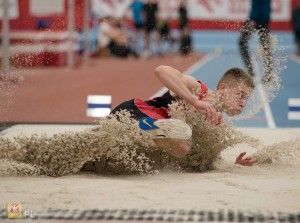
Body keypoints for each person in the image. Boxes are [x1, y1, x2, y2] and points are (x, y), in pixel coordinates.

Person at [110, 65, 255, 166]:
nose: (243, 103)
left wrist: (232, 165)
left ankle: (141, 139)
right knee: (182, 144)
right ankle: (143, 128)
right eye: (240, 95)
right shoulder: (198, 90)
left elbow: (204, 159)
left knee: (183, 148)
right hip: (132, 112)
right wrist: (194, 101)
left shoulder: (216, 123)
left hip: (144, 133)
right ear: (223, 89)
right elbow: (161, 70)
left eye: (246, 99)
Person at [238, 0, 274, 84]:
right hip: (261, 19)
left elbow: (262, 7)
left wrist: (254, 19)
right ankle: (267, 73)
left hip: (257, 19)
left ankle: (252, 71)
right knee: (266, 47)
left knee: (242, 42)